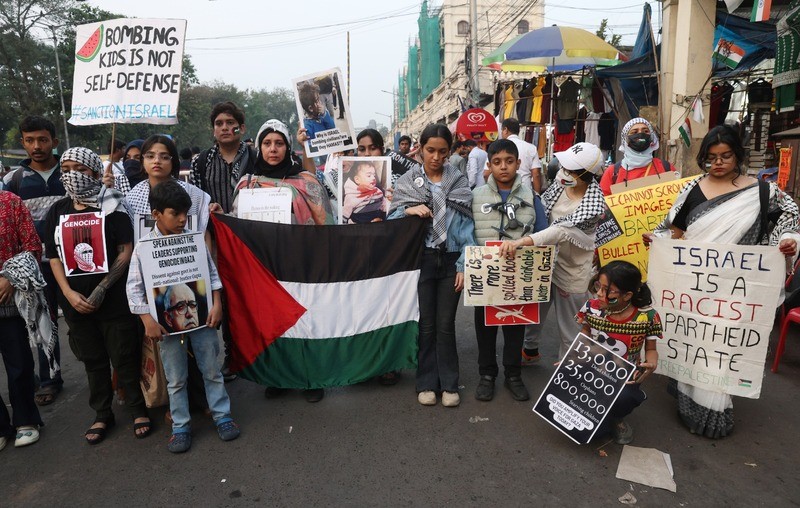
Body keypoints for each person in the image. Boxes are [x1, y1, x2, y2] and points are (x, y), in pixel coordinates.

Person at [644, 124, 800, 439]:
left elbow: (790, 221)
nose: (718, 163)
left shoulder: (763, 191)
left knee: (721, 346)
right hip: (694, 286)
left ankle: (714, 410)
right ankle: (689, 398)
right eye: (711, 157)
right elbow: (672, 228)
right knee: (696, 342)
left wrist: (788, 243)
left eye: (726, 156)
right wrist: (656, 239)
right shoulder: (692, 189)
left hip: (737, 287)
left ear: (738, 156)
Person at [43, 147, 151, 444]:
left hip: (114, 300)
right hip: (76, 303)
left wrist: (103, 287)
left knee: (124, 356)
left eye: (79, 168)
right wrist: (67, 292)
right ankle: (102, 414)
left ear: (93, 170)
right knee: (93, 360)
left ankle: (137, 409)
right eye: (65, 169)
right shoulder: (58, 210)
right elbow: (53, 257)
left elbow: (126, 250)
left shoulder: (112, 205)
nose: (71, 175)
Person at [127, 180, 240, 453]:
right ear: (156, 215)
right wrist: (147, 321)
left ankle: (222, 416)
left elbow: (212, 275)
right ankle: (180, 425)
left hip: (202, 320)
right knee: (176, 379)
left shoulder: (193, 240)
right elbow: (133, 289)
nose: (181, 220)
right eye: (174, 214)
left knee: (211, 370)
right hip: (166, 329)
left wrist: (216, 304)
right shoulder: (144, 248)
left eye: (185, 214)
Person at [230, 119, 334, 403]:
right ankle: (278, 376)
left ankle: (310, 378)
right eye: (266, 143)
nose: (272, 149)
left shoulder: (305, 181)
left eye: (278, 143)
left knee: (305, 320)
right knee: (273, 322)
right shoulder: (246, 183)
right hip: (264, 266)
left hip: (300, 263)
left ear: (287, 147)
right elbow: (237, 224)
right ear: (259, 147)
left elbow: (325, 219)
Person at [388, 124, 475, 407]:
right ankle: (426, 382)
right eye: (430, 150)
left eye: (442, 151)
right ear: (420, 149)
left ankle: (449, 384)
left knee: (445, 324)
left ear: (449, 152)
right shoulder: (407, 181)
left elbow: (466, 228)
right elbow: (391, 221)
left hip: (450, 259)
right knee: (425, 324)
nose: (436, 157)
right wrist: (408, 210)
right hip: (422, 260)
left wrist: (463, 264)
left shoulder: (459, 182)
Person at [499, 142, 606, 361]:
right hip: (545, 263)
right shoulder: (560, 184)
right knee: (534, 312)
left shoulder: (593, 207)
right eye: (564, 167)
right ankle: (529, 350)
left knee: (569, 326)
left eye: (570, 169)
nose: (563, 172)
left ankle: (569, 368)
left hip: (572, 271)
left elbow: (558, 231)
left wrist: (521, 242)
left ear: (585, 174)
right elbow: (541, 210)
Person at [470, 139, 548, 402]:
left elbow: (542, 233)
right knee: (485, 327)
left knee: (515, 326)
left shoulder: (530, 196)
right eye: (497, 162)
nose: (503, 167)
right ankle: (487, 376)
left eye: (509, 161)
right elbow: (467, 234)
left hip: (519, 276)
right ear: (489, 165)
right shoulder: (475, 197)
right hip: (486, 276)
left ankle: (513, 376)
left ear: (518, 163)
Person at [1, 116, 64, 407]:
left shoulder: (73, 171)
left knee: (86, 317)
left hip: (75, 262)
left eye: (42, 139)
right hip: (35, 265)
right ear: (23, 143)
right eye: (29, 140)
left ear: (54, 141)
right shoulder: (13, 181)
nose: (36, 146)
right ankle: (49, 378)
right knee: (41, 320)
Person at [576, 261, 661, 444]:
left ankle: (617, 417)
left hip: (625, 376)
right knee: (582, 428)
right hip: (591, 367)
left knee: (624, 398)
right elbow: (584, 335)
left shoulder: (647, 317)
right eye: (598, 286)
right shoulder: (591, 308)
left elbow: (651, 349)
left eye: (608, 290)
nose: (599, 293)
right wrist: (572, 359)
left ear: (627, 295)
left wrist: (651, 364)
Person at [0, 190, 45, 448]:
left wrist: (9, 277)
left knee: (18, 363)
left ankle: (26, 420)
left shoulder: (10, 202)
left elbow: (32, 246)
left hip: (10, 299)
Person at [190, 101, 257, 214]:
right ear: (214, 131)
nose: (225, 128)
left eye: (230, 122)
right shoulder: (200, 161)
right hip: (213, 229)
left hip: (249, 228)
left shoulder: (256, 158)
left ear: (241, 128)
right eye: (219, 124)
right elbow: (195, 203)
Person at [599, 117, 674, 196]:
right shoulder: (613, 172)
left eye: (645, 131)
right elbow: (603, 204)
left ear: (651, 137)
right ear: (626, 139)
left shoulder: (665, 167)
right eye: (634, 132)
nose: (640, 134)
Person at [501, 118, 543, 193]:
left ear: (505, 129)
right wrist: (537, 196)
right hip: (526, 192)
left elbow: (486, 173)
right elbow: (536, 174)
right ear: (519, 130)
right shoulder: (531, 148)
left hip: (503, 191)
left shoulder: (498, 148)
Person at [341, 160, 388, 224]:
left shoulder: (378, 192)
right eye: (369, 176)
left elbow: (384, 206)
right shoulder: (351, 197)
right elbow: (344, 216)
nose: (373, 178)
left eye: (374, 175)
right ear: (357, 180)